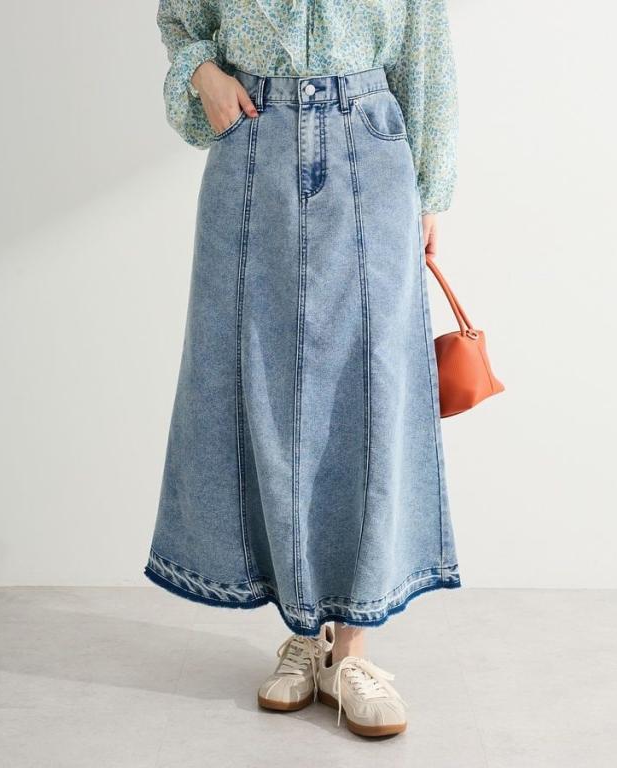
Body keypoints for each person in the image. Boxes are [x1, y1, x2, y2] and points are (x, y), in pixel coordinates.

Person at [145, 0, 461, 738]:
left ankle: (351, 649)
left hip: (369, 148)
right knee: (258, 387)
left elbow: (426, 55)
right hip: (253, 144)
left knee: (367, 394)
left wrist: (431, 191)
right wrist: (202, 72)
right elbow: (180, 16)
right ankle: (299, 625)